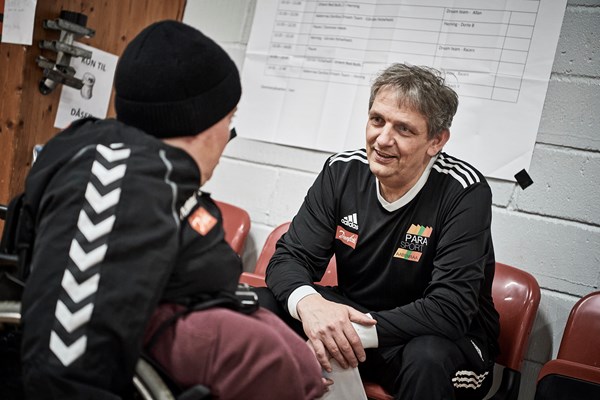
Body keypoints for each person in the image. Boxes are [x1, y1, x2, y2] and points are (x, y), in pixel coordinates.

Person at [18, 20, 325, 400]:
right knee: (269, 355)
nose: (228, 136)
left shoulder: (155, 175)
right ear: (197, 123)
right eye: (229, 122)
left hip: (172, 307)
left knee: (295, 353)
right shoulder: (119, 176)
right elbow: (68, 351)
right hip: (134, 341)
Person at [259, 63, 500, 399]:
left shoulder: (464, 190)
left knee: (427, 357)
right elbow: (289, 257)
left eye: (403, 129)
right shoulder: (342, 171)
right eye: (377, 120)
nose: (383, 139)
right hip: (359, 322)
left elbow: (450, 308)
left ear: (436, 140)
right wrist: (312, 307)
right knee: (259, 305)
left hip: (433, 340)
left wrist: (347, 332)